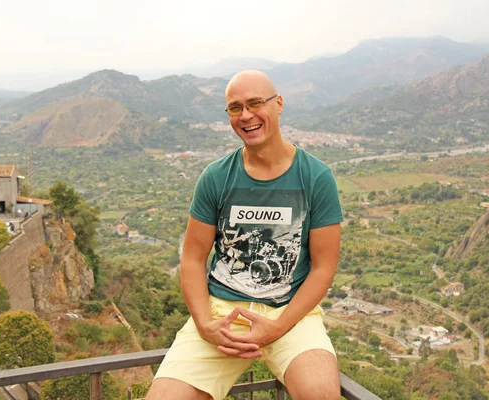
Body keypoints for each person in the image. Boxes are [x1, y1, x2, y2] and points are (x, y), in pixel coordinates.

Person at [146, 70, 343, 400]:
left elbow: (324, 266)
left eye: (255, 103)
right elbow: (193, 258)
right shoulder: (217, 177)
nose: (246, 115)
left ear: (278, 104)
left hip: (290, 312)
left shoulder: (315, 177)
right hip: (222, 312)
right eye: (235, 108)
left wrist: (279, 327)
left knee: (320, 393)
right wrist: (205, 323)